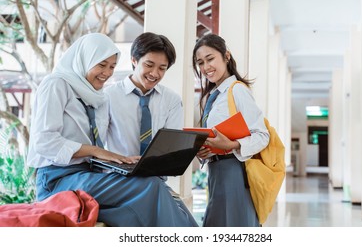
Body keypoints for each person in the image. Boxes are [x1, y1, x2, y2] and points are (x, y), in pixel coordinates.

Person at [27, 32, 197, 227]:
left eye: (112, 67)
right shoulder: (56, 84)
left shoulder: (95, 96)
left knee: (145, 207)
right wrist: (98, 152)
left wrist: (122, 163)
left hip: (87, 175)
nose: (107, 73)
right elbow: (44, 141)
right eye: (101, 65)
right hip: (58, 179)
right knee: (153, 186)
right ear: (85, 59)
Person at [104, 31, 198, 226]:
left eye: (162, 68)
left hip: (155, 180)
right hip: (119, 181)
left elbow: (171, 149)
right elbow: (96, 146)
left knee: (183, 219)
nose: (155, 74)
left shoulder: (171, 100)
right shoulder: (109, 97)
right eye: (149, 65)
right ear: (134, 60)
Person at [192, 33, 270, 227]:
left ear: (226, 56)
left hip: (234, 171)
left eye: (210, 59)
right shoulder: (214, 96)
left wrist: (231, 144)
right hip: (216, 170)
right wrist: (204, 151)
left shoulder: (238, 91)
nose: (206, 67)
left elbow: (262, 135)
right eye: (200, 63)